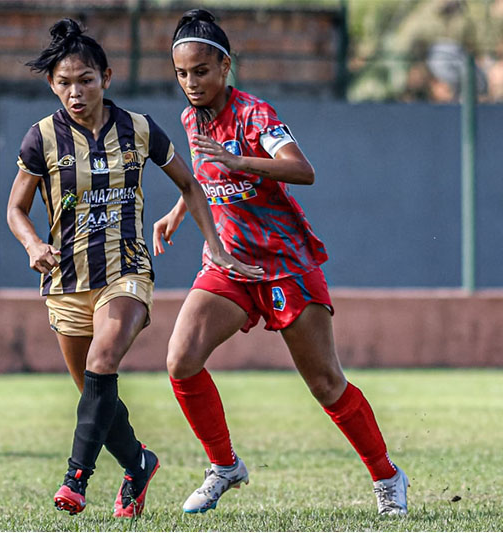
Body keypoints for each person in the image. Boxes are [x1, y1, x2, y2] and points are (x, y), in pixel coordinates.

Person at [153, 9, 409, 517]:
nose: (191, 83)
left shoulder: (255, 115)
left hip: (285, 266)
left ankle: (387, 476)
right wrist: (179, 210)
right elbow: (207, 176)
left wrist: (240, 160)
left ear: (225, 67)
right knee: (180, 360)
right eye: (182, 74)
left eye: (201, 71)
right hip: (227, 264)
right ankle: (224, 466)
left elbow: (302, 170)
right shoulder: (191, 117)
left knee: (325, 384)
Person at [7, 18, 259, 518]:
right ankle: (139, 463)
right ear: (51, 85)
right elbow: (16, 208)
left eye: (85, 80)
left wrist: (218, 248)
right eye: (63, 83)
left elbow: (192, 185)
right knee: (96, 396)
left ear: (107, 76)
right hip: (65, 279)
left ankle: (75, 479)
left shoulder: (139, 129)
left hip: (127, 271)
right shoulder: (40, 138)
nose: (75, 93)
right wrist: (34, 243)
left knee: (103, 364)